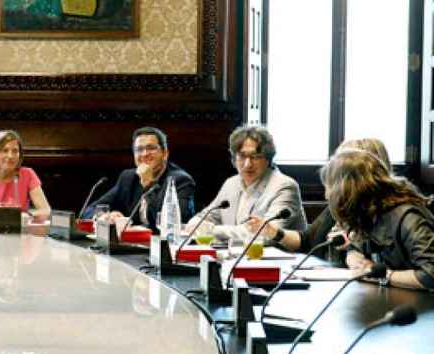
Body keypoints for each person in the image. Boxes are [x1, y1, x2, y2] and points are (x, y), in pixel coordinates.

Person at [248, 138, 391, 254]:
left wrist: (356, 244)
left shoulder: (385, 212)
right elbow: (306, 241)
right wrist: (274, 232)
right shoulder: (340, 203)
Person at [323, 148, 434, 290]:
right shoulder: (369, 212)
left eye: (329, 187)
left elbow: (430, 275)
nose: (327, 195)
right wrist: (354, 258)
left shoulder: (407, 217)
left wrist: (381, 275)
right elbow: (355, 246)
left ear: (347, 190)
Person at [185, 124, 306, 244]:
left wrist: (212, 230)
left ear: (268, 159)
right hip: (237, 258)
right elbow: (204, 217)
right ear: (233, 159)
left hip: (281, 261)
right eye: (242, 156)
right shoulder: (231, 184)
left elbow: (265, 234)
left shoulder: (285, 186)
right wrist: (195, 224)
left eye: (255, 157)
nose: (247, 164)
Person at [80, 126, 195, 231]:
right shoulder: (128, 178)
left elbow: (172, 223)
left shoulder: (180, 181)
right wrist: (104, 217)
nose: (145, 154)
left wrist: (148, 184)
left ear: (165, 153)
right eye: (139, 149)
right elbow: (90, 210)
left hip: (163, 247)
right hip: (133, 246)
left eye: (151, 148)